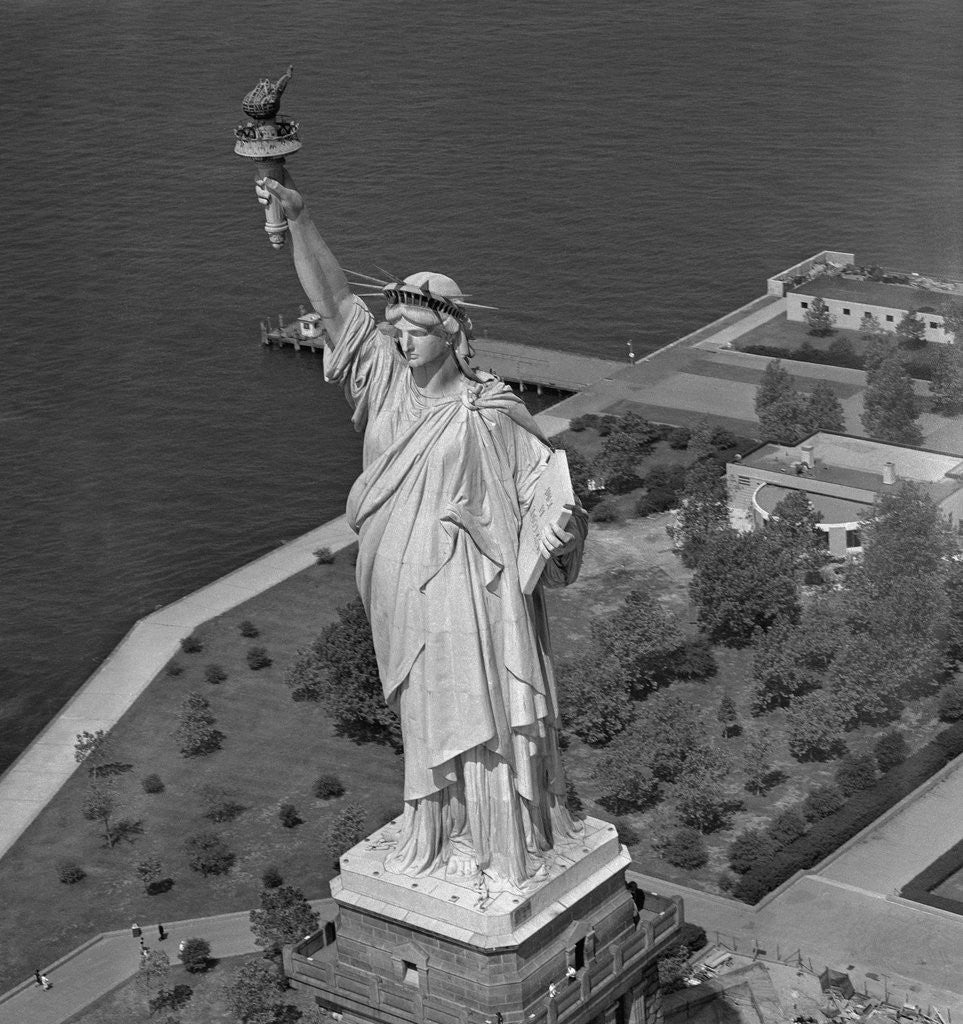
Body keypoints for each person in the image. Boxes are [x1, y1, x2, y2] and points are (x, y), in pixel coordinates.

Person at [254, 175, 588, 892]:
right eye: (395, 331)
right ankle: (435, 826)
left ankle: (499, 838)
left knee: (480, 703)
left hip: (470, 581)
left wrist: (558, 522)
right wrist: (301, 220)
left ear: (452, 334)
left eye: (415, 332)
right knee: (424, 702)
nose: (400, 341)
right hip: (397, 577)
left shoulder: (488, 409)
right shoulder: (379, 378)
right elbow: (337, 306)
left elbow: (544, 492)